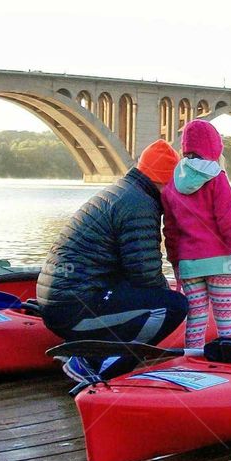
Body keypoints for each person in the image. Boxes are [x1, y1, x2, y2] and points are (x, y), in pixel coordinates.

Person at [37, 139, 188, 385]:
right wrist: (167, 297)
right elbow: (145, 273)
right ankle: (96, 365)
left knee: (153, 299)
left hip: (61, 300)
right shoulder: (140, 205)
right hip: (73, 309)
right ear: (163, 181)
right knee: (174, 307)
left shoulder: (123, 191)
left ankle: (82, 349)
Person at [161, 119, 231, 353]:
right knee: (226, 319)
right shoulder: (218, 178)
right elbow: (228, 225)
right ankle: (230, 362)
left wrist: (176, 264)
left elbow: (170, 232)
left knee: (196, 320)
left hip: (189, 265)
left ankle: (192, 364)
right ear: (213, 146)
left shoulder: (171, 185)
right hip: (219, 263)